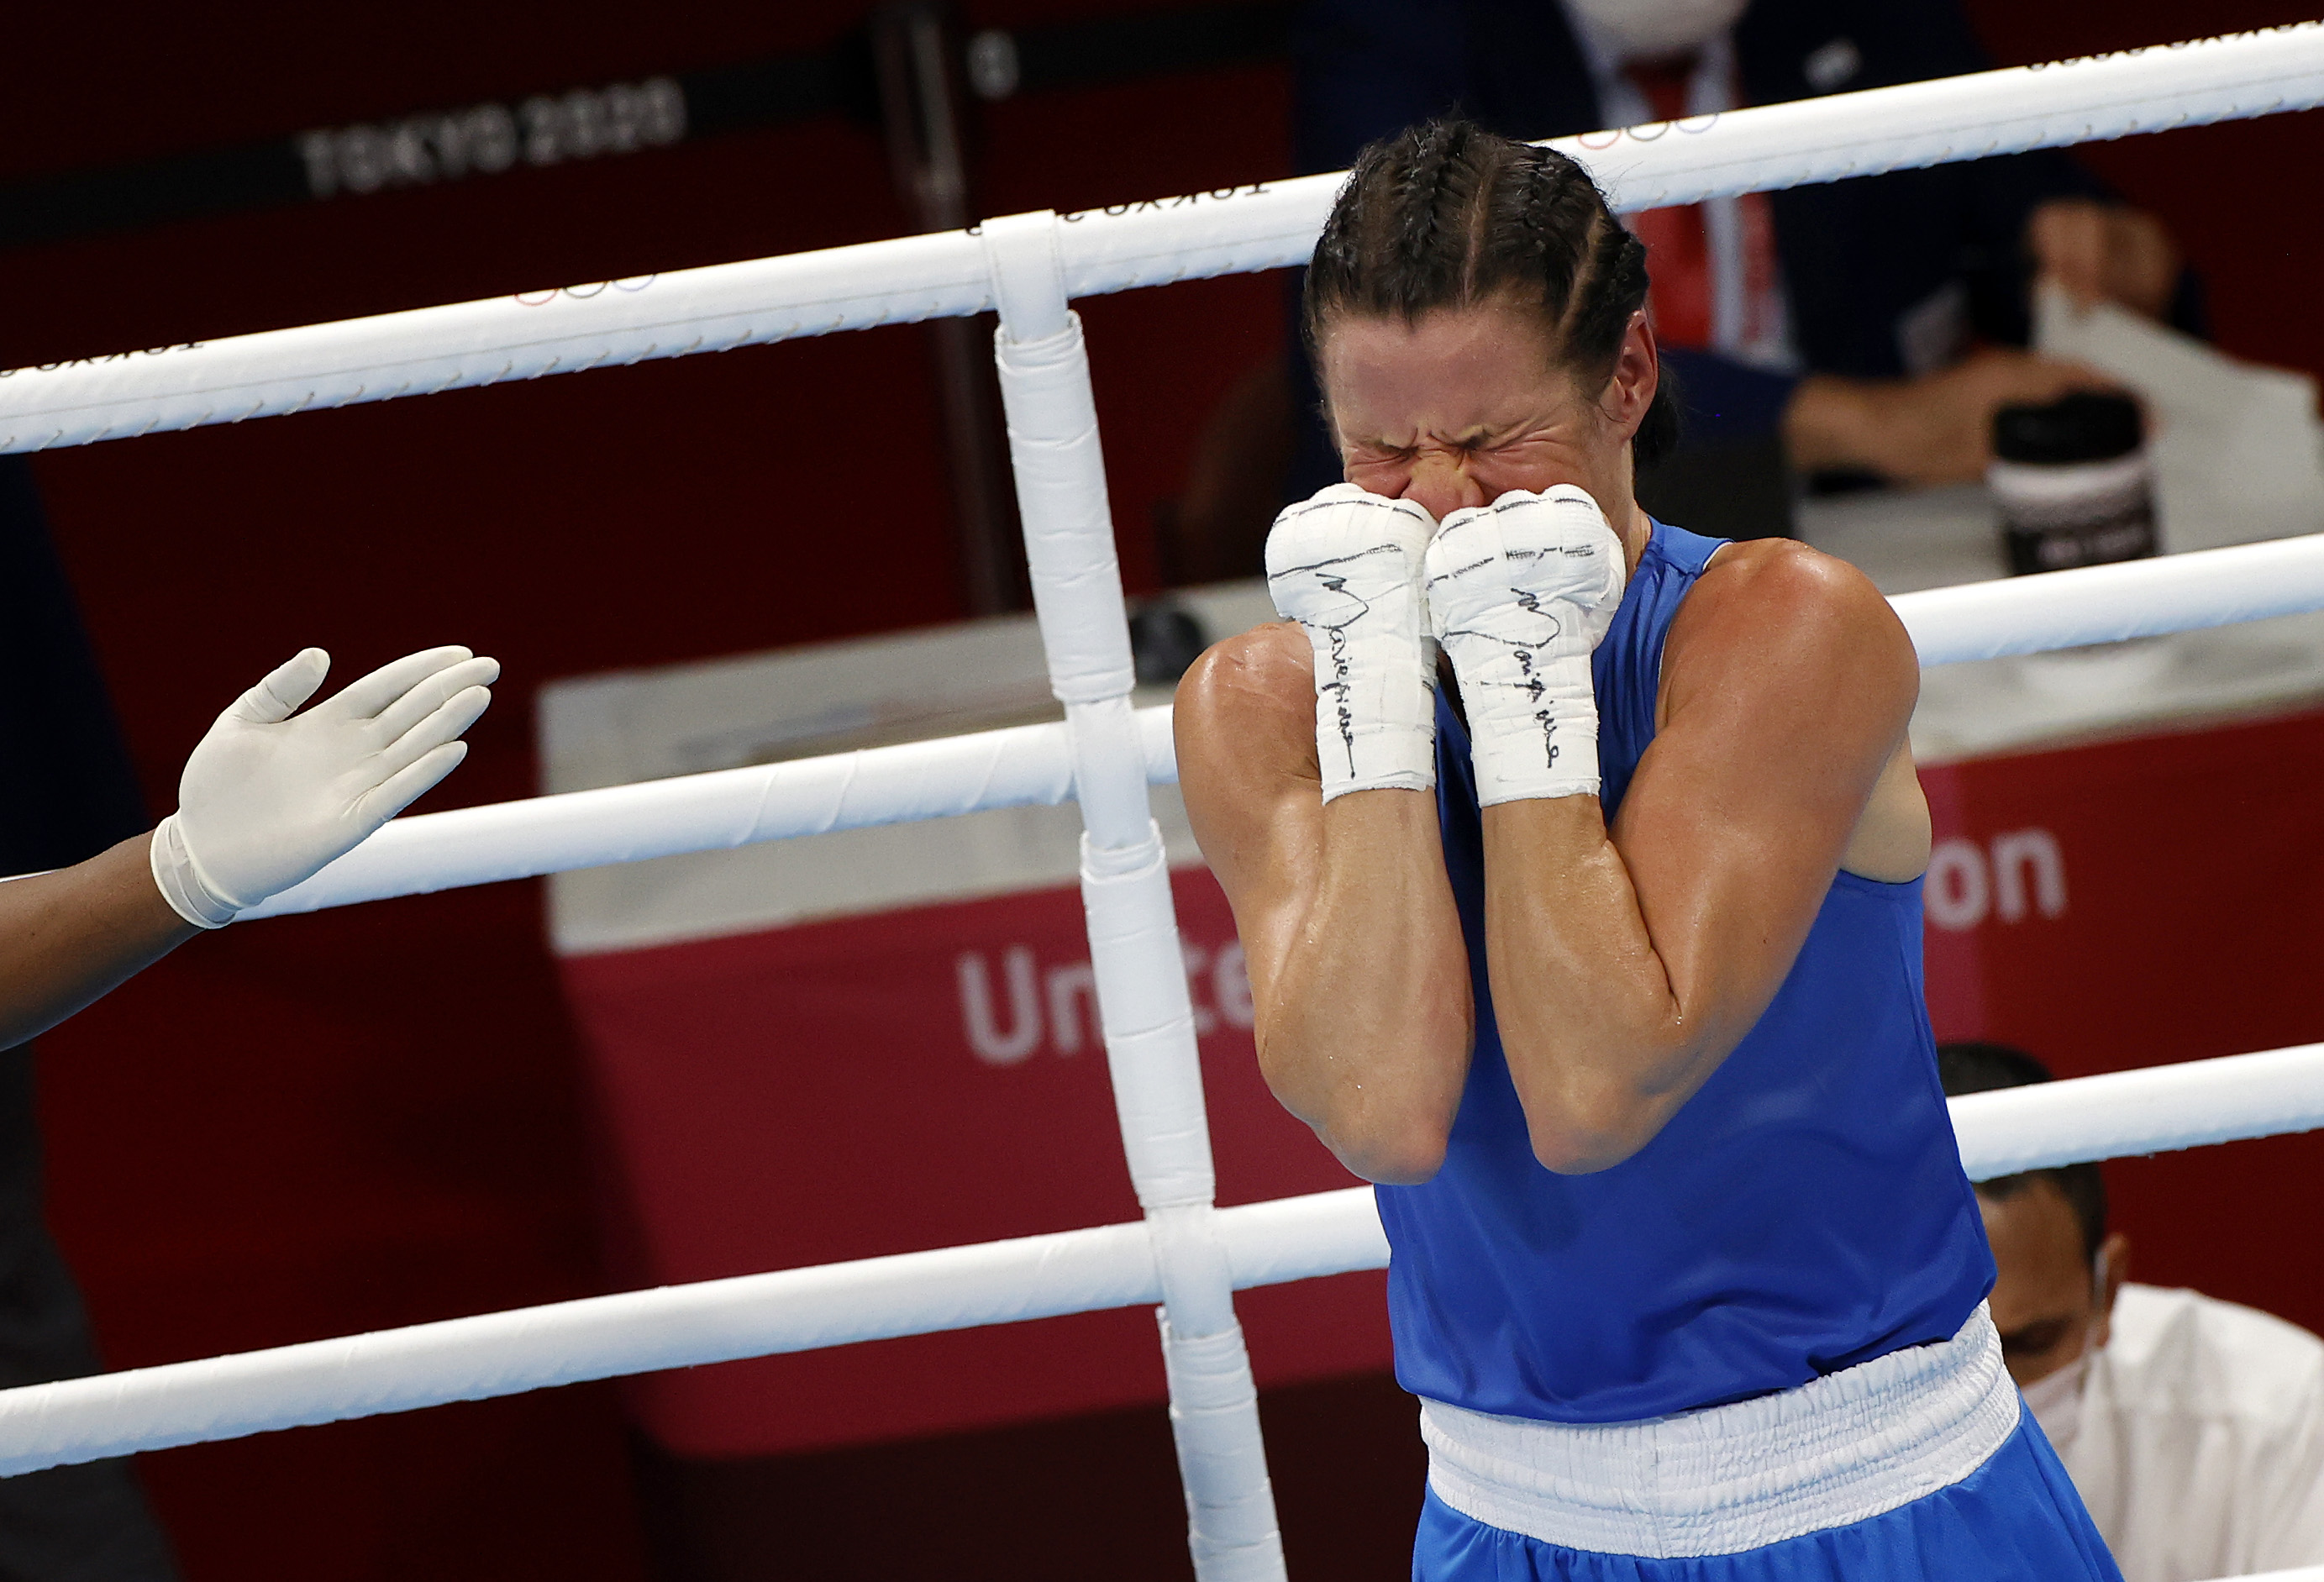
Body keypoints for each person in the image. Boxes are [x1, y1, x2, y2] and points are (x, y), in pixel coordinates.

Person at [1175, 119, 2116, 1577]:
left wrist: (1519, 677)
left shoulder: (1785, 629)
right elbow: (1383, 1113)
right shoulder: (1263, 705)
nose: (1434, 498)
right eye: (1380, 447)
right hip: (1510, 1515)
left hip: (1877, 1496)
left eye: (1491, 440)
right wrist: (1373, 701)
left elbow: (1598, 1084)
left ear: (1627, 375)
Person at [1162, 0, 2191, 577]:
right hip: (1489, 570)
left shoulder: (1870, 15)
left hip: (1867, 562)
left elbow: (2035, 219)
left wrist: (2110, 262)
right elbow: (1415, 332)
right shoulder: (1400, 33)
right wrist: (1859, 420)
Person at [1941, 1041, 2324, 1582]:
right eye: (1937, 1354)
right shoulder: (1798, 1454)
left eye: (2031, 1344)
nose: (1988, 1393)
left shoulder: (2282, 1418)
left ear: (2110, 1291)